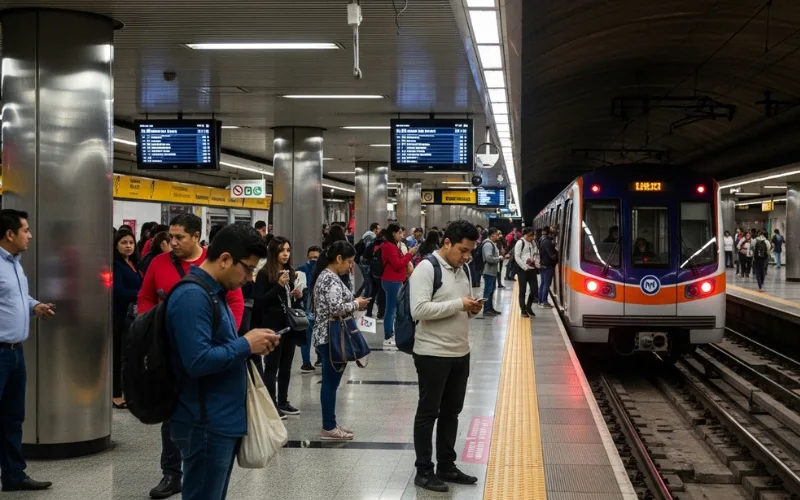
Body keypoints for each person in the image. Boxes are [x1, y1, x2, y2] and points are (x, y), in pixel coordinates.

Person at [166, 224, 279, 500]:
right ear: (226, 259)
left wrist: (252, 346)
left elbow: (220, 348)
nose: (250, 278)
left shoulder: (213, 293)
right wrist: (245, 344)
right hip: (204, 422)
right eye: (248, 269)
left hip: (219, 419)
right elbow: (197, 361)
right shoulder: (193, 296)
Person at [137, 213, 245, 499]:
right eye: (169, 237)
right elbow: (145, 296)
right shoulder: (161, 266)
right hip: (172, 354)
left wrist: (227, 333)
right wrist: (152, 326)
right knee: (173, 418)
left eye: (179, 237)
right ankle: (171, 473)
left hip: (209, 352)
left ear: (196, 236)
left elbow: (233, 302)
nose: (172, 242)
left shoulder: (214, 265)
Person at [409, 220, 482, 493]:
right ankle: (424, 471)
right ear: (447, 243)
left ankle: (447, 466)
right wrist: (458, 305)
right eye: (463, 250)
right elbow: (419, 310)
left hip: (460, 352)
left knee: (452, 412)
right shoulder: (426, 269)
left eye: (470, 252)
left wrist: (470, 308)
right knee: (428, 412)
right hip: (432, 353)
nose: (466, 256)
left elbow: (461, 303)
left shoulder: (463, 270)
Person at [0, 210, 55, 492]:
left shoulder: (15, 264)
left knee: (13, 416)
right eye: (25, 230)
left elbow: (16, 298)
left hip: (15, 353)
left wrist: (34, 306)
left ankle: (13, 475)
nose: (30, 235)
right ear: (10, 234)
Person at [312, 241, 370, 440]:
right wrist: (356, 303)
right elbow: (335, 308)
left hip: (331, 334)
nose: (350, 266)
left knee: (332, 381)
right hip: (331, 336)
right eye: (349, 262)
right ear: (338, 259)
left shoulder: (330, 277)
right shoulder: (329, 279)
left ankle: (332, 423)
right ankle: (328, 427)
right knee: (330, 382)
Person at [251, 237, 302, 418]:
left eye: (288, 250)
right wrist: (279, 286)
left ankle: (283, 401)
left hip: (288, 324)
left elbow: (288, 300)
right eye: (282, 251)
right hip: (272, 326)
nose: (286, 254)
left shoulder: (290, 271)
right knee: (272, 366)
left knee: (286, 366)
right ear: (274, 253)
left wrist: (296, 294)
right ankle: (271, 404)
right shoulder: (265, 274)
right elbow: (260, 301)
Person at [112, 229, 142, 409]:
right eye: (124, 242)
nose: (128, 246)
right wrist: (141, 294)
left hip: (134, 315)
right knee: (118, 354)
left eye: (131, 242)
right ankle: (115, 393)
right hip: (120, 315)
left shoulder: (133, 263)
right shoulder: (116, 264)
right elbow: (118, 291)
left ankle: (127, 390)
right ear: (116, 245)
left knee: (129, 355)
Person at [380, 224, 417, 347]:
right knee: (391, 309)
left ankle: (391, 333)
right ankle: (388, 335)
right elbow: (398, 264)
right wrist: (410, 254)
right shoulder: (389, 246)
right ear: (393, 234)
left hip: (394, 280)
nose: (402, 235)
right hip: (391, 280)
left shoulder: (393, 246)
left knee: (393, 308)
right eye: (399, 233)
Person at [514, 228, 538, 318]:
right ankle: (523, 310)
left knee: (534, 289)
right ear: (525, 235)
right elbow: (517, 257)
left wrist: (534, 261)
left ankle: (528, 306)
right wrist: (524, 267)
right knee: (522, 290)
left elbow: (535, 253)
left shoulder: (532, 242)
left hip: (532, 269)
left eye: (532, 235)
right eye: (530, 236)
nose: (532, 237)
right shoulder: (520, 242)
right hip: (522, 270)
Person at [481, 228, 504, 316]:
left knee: (491, 290)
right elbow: (489, 258)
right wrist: (499, 258)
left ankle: (490, 308)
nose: (498, 236)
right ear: (492, 235)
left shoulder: (492, 244)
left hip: (492, 271)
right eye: (496, 234)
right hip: (488, 271)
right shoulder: (488, 244)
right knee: (488, 290)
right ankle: (486, 309)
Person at [538, 227, 558, 307]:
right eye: (552, 233)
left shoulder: (542, 240)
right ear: (549, 233)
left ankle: (540, 300)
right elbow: (552, 256)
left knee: (543, 283)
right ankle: (544, 301)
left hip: (543, 264)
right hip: (548, 266)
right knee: (546, 284)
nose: (553, 235)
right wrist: (557, 252)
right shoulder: (548, 243)